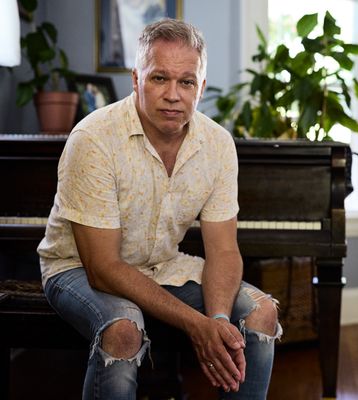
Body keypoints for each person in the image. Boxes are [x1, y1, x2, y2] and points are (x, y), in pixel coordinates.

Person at [37, 18, 282, 400]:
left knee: (261, 313)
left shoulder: (218, 145)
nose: (173, 95)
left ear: (201, 87)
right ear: (136, 80)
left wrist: (217, 319)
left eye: (186, 82)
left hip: (162, 265)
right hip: (75, 269)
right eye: (159, 78)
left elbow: (223, 250)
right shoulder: (93, 138)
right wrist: (197, 325)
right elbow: (103, 268)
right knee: (123, 328)